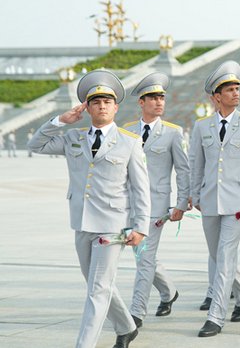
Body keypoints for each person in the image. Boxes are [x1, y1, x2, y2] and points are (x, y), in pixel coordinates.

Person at [28, 69, 150, 348]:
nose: (102, 106)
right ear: (88, 107)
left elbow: (141, 188)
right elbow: (36, 144)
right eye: (96, 102)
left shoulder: (130, 142)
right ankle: (127, 326)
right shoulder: (73, 137)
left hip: (112, 225)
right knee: (98, 284)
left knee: (97, 289)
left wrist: (141, 226)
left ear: (116, 107)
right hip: (82, 223)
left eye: (107, 101)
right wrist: (61, 120)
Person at [191, 61, 240, 338]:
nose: (236, 93)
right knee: (217, 255)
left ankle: (216, 315)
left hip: (237, 201)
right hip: (209, 201)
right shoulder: (201, 127)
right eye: (230, 90)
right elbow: (196, 164)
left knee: (224, 256)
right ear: (216, 97)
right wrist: (194, 194)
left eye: (237, 88)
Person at [122, 72, 190, 328]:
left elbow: (183, 170)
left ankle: (136, 312)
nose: (159, 102)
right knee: (143, 256)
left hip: (158, 207)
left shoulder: (173, 133)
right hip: (130, 205)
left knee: (145, 259)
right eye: (153, 97)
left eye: (161, 97)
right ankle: (169, 292)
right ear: (141, 102)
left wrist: (182, 203)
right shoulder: (127, 131)